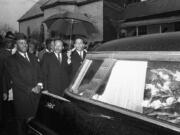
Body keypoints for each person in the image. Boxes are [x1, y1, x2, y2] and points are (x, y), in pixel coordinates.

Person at [5, 33, 43, 135]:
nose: (24, 45)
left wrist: (39, 85)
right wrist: (31, 88)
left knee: (35, 125)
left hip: (36, 96)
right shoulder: (11, 60)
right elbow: (16, 79)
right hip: (23, 97)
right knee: (22, 125)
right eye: (21, 43)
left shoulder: (33, 57)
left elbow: (40, 73)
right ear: (16, 45)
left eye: (25, 43)